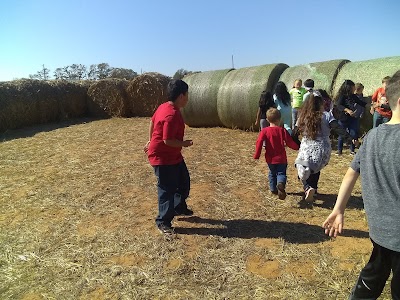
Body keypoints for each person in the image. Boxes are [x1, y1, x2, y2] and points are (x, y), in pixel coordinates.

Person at [322, 70, 400, 299]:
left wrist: (338, 209)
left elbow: (350, 174)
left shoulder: (372, 136)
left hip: (380, 233)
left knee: (373, 275)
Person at [144, 79, 194, 236]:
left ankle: (179, 207)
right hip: (162, 157)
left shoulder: (165, 106)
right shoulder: (171, 114)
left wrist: (151, 139)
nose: (188, 98)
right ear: (181, 96)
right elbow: (167, 140)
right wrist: (184, 143)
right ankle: (163, 221)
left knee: (183, 181)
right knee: (167, 189)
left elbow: (152, 122)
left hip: (173, 155)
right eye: (187, 95)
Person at [293, 91, 353, 202]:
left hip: (307, 146)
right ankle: (314, 189)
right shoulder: (326, 115)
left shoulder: (302, 116)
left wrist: (296, 144)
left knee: (301, 165)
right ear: (320, 104)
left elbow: (294, 133)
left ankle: (307, 187)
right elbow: (337, 128)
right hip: (323, 148)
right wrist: (350, 139)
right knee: (315, 168)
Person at [254, 108, 299, 200]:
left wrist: (257, 155)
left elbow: (259, 142)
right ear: (279, 119)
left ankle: (273, 189)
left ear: (267, 120)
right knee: (281, 173)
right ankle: (281, 183)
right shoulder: (282, 131)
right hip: (281, 158)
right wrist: (298, 147)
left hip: (270, 159)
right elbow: (290, 142)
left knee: (272, 173)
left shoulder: (264, 131)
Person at [335, 80, 366, 155]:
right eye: (353, 87)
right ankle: (339, 150)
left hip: (352, 118)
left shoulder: (353, 96)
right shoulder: (342, 96)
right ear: (348, 87)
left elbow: (361, 103)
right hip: (343, 118)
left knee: (353, 133)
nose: (354, 88)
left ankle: (352, 150)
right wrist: (347, 110)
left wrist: (372, 105)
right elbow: (339, 105)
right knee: (342, 134)